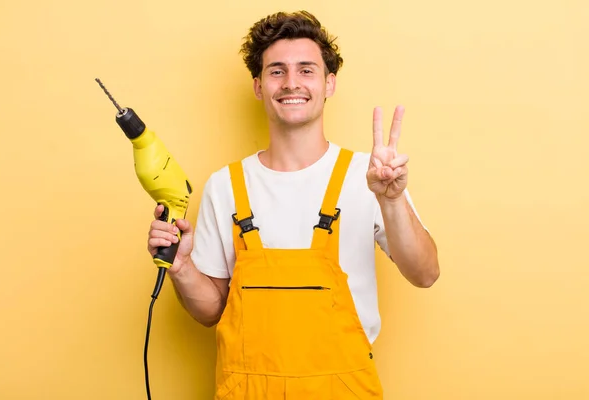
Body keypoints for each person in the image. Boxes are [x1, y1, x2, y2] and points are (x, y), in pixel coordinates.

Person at [147, 10, 439, 399]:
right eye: (276, 71)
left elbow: (425, 273)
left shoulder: (368, 176)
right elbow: (210, 312)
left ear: (328, 83)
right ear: (258, 85)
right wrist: (181, 268)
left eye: (306, 70)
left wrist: (393, 200)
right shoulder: (225, 187)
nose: (291, 83)